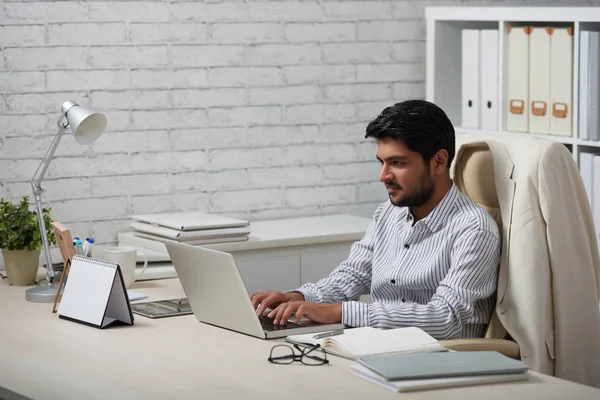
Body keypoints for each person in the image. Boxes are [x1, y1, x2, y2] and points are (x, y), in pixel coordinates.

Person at [250, 100, 501, 340]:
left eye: (397, 163)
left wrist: (341, 312)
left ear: (439, 161)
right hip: (379, 346)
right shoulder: (388, 214)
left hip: (442, 360)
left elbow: (446, 317)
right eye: (382, 162)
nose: (383, 176)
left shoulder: (474, 229)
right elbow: (352, 276)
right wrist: (297, 297)